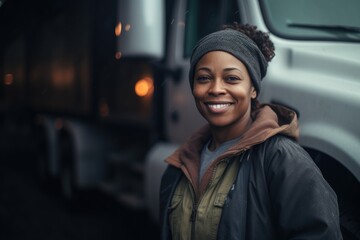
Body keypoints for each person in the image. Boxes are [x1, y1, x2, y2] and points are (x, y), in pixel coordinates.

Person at [159, 23, 343, 240]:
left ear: (253, 88)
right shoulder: (178, 167)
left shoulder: (283, 160)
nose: (216, 88)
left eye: (232, 78)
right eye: (204, 78)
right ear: (193, 88)